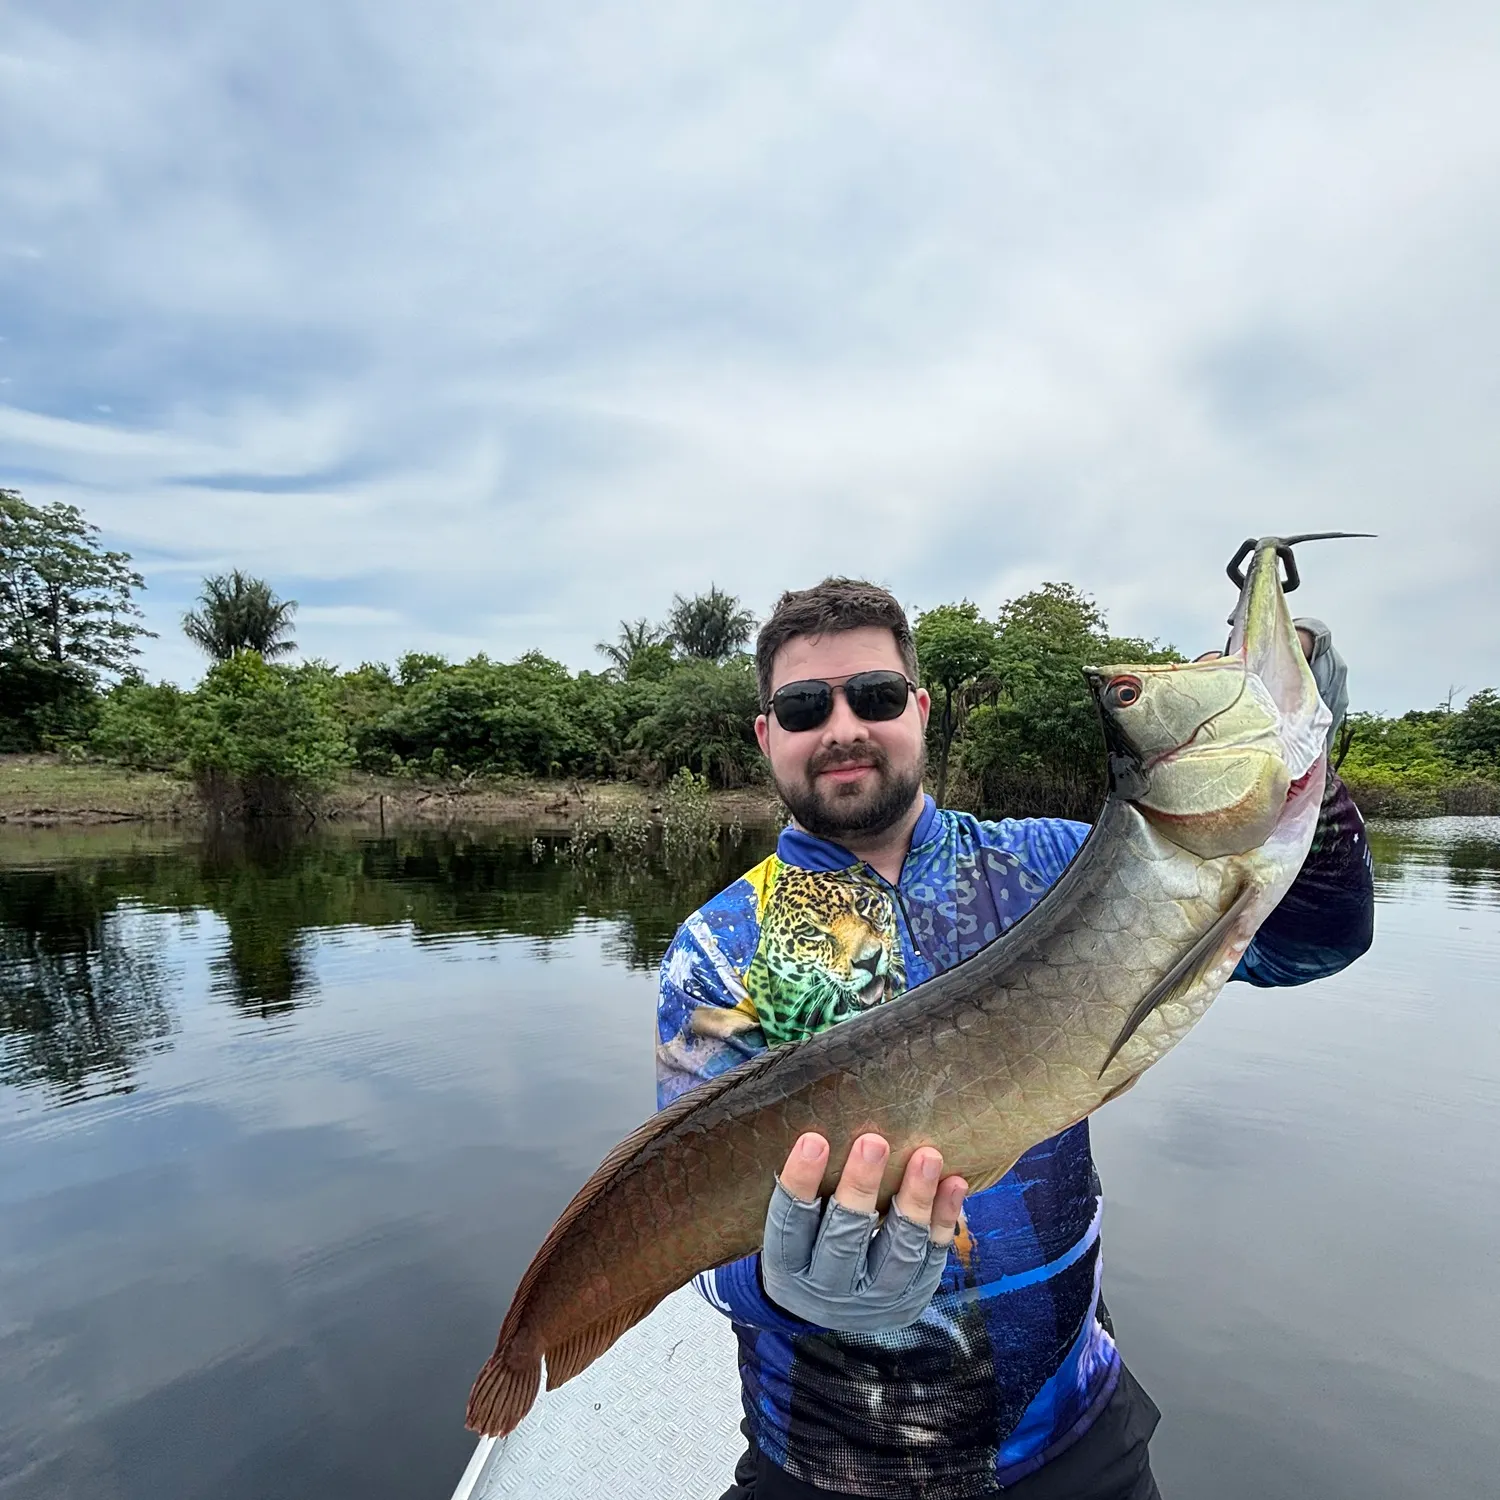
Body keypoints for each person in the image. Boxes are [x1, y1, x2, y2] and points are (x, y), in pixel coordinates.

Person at [656, 578, 1374, 1500]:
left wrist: (1311, 770)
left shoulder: (1054, 864)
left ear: (919, 712)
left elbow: (1307, 948)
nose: (842, 726)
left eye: (874, 697)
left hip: (1077, 1442)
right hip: (829, 1462)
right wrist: (792, 1288)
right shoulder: (717, 951)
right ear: (767, 735)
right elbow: (693, 1251)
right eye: (804, 706)